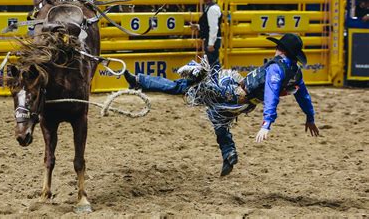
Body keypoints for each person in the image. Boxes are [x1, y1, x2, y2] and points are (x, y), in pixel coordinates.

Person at [123, 33, 319, 176]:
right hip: (242, 99)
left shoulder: (276, 69)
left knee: (190, 84)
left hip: (235, 94)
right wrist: (310, 117)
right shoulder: (295, 72)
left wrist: (267, 123)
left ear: (281, 49)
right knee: (215, 115)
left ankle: (141, 80)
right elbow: (303, 96)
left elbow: (272, 93)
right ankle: (228, 153)